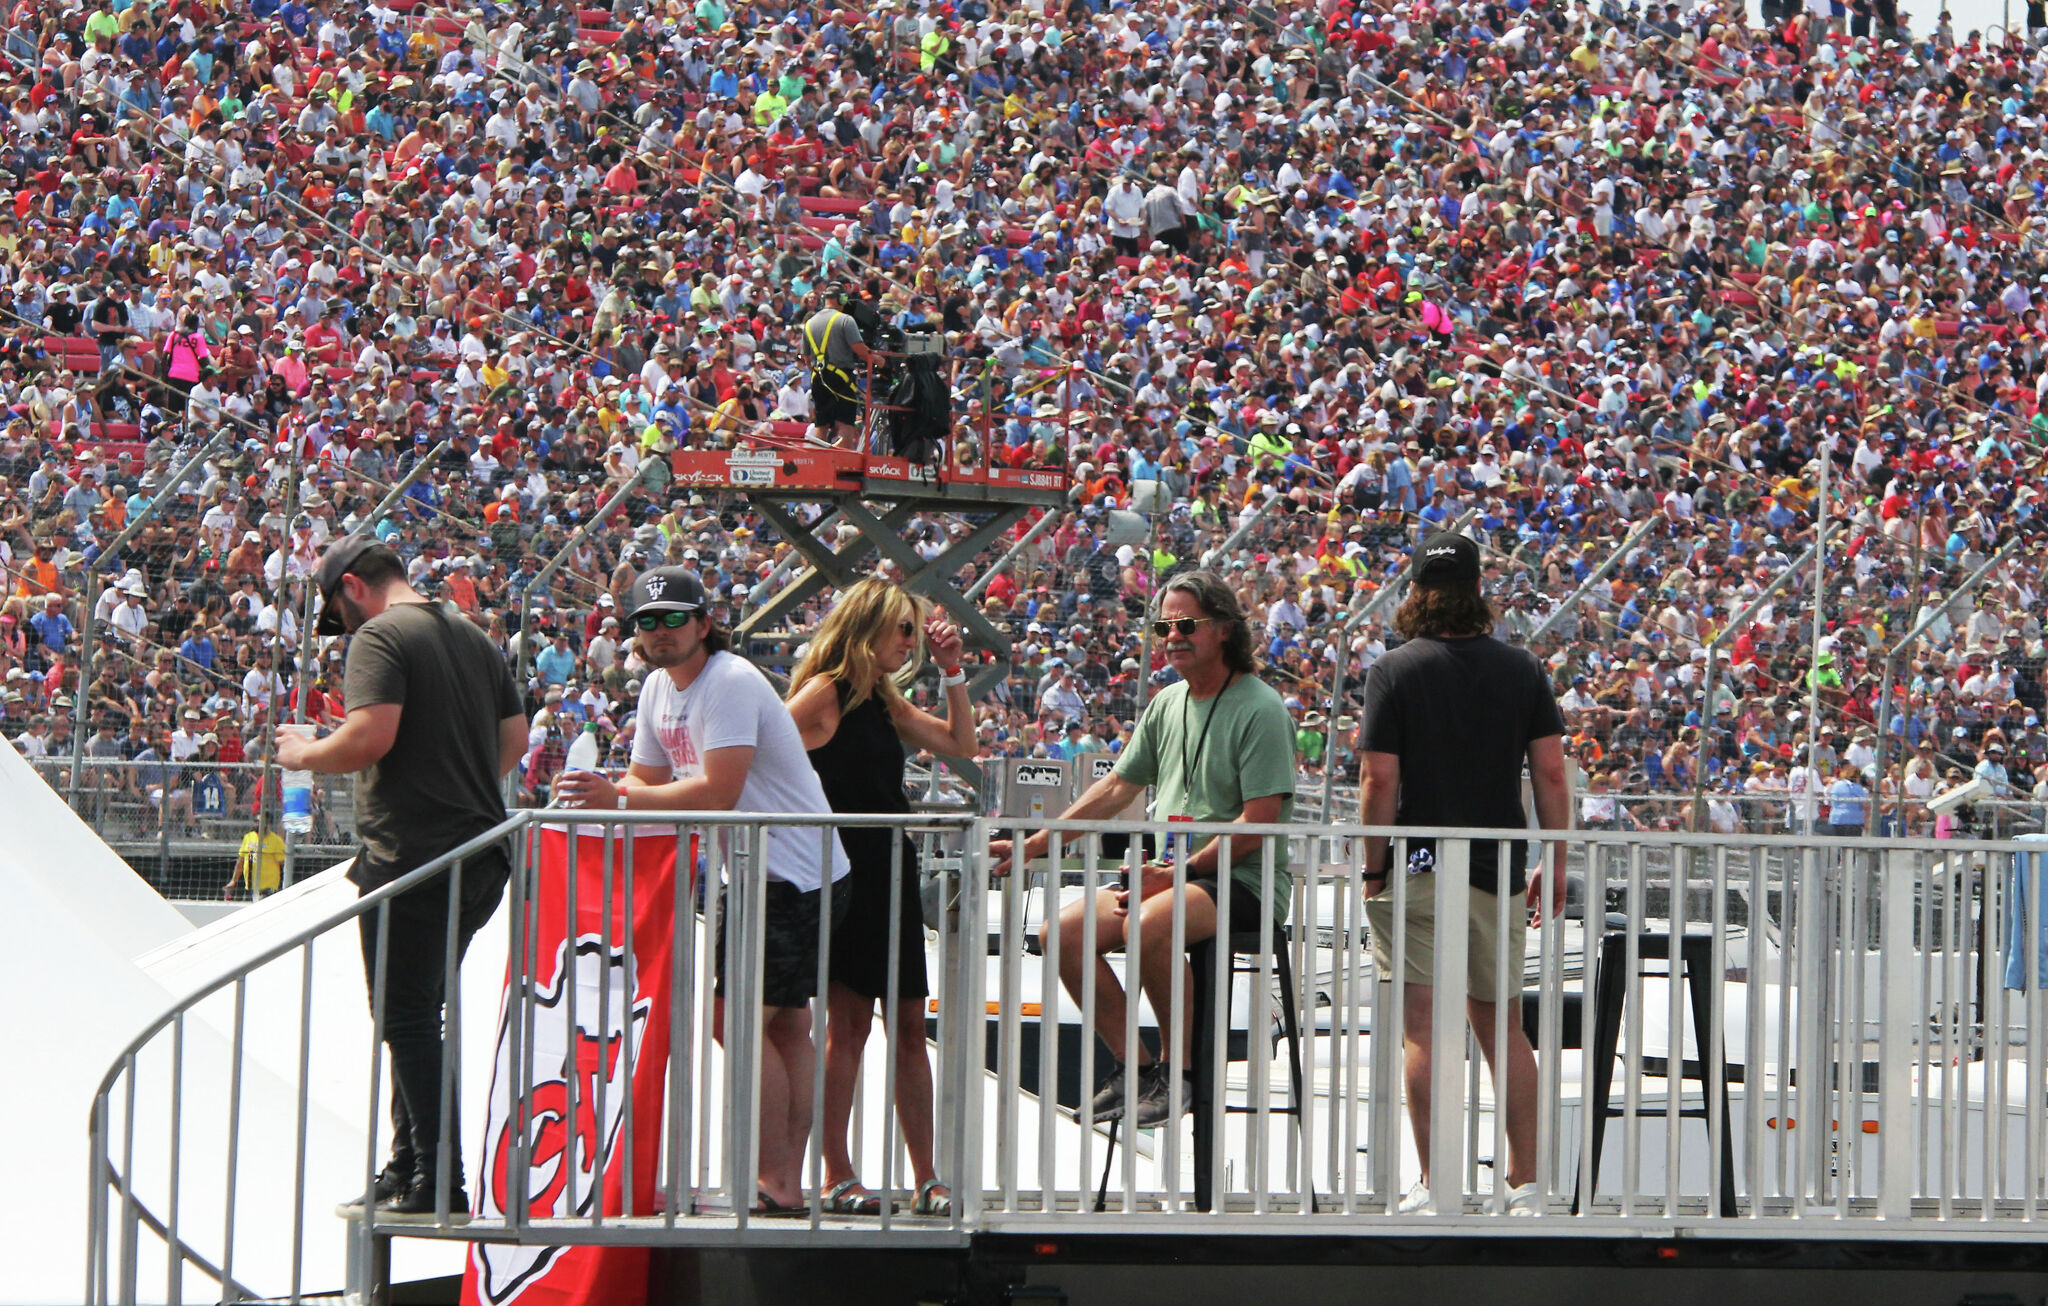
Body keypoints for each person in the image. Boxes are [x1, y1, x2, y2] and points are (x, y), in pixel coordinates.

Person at [557, 566, 850, 1216]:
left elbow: (714, 789)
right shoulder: (659, 688)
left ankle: (773, 1178)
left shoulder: (731, 681)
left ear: (704, 623)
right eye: (646, 621)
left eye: (672, 618)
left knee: (737, 1023)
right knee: (785, 1027)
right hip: (760, 871)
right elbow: (646, 782)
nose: (659, 632)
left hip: (791, 873)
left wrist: (619, 796)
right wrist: (597, 795)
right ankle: (784, 1182)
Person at [278, 537, 528, 1223]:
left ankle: (439, 1178)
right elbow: (513, 740)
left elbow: (369, 739)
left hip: (413, 853)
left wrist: (305, 751)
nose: (345, 629)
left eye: (340, 611)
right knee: (414, 1012)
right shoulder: (472, 637)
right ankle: (409, 1164)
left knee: (407, 1016)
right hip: (479, 852)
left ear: (353, 586)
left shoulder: (381, 636)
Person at [993, 570, 1296, 1128]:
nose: (1171, 636)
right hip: (1172, 875)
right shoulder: (1166, 703)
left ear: (1225, 630)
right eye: (1163, 625)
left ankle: (1181, 1075)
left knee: (1148, 925)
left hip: (1242, 880)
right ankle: (1135, 1069)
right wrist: (1038, 842)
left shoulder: (1262, 708)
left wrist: (1175, 874)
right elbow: (1114, 788)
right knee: (1060, 933)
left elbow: (1257, 827)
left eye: (1185, 625)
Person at [1357, 532, 1570, 1216]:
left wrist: (1373, 865)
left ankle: (1437, 1183)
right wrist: (1554, 857)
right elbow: (1551, 771)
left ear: (1417, 593)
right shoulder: (1522, 669)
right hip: (1497, 864)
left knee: (1423, 1026)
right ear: (1479, 592)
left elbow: (1378, 777)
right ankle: (1528, 1184)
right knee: (1502, 1027)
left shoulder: (1395, 669)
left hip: (1418, 862)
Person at [785, 579, 975, 1216]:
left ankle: (928, 1177)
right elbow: (763, 754)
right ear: (868, 628)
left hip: (891, 866)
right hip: (845, 868)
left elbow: (959, 746)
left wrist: (953, 674)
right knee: (849, 1029)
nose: (910, 643)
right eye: (903, 630)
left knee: (909, 1029)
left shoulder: (883, 699)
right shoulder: (825, 692)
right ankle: (838, 1172)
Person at [802, 282, 875, 448]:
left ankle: (819, 463)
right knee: (845, 426)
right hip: (842, 379)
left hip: (818, 378)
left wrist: (819, 373)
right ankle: (842, 466)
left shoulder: (809, 323)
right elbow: (860, 349)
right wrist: (879, 360)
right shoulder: (845, 320)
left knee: (821, 425)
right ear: (842, 299)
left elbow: (806, 358)